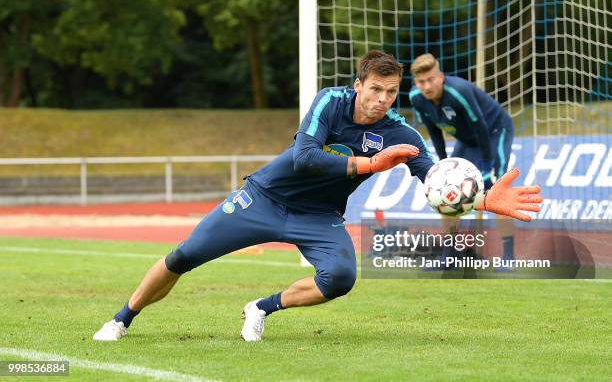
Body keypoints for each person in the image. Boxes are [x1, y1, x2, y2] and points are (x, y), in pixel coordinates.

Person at [93, 50, 542, 342]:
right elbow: (305, 156)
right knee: (183, 256)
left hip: (319, 216)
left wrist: (482, 199)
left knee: (342, 278)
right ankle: (121, 319)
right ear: (358, 84)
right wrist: (369, 165)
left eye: (390, 93)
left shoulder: (401, 132)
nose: (382, 100)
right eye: (375, 90)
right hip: (263, 198)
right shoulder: (330, 102)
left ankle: (260, 307)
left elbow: (434, 181)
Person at [409, 53, 517, 267]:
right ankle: (448, 255)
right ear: (416, 83)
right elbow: (434, 131)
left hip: (495, 130)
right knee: (447, 189)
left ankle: (508, 257)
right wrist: (442, 166)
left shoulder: (459, 92)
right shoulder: (416, 98)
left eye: (431, 79)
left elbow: (481, 128)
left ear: (440, 77)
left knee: (497, 190)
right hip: (467, 139)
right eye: (422, 82)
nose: (427, 85)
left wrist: (488, 167)